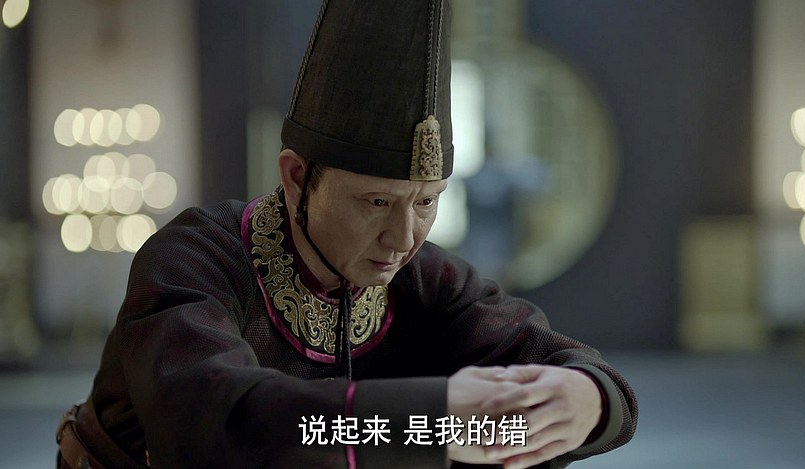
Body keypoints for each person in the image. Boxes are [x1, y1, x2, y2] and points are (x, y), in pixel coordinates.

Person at [56, 0, 637, 468]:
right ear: (296, 177)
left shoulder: (426, 279)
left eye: (426, 202)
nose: (402, 238)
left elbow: (561, 362)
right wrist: (433, 419)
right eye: (376, 202)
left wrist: (586, 397)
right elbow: (217, 424)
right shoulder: (195, 259)